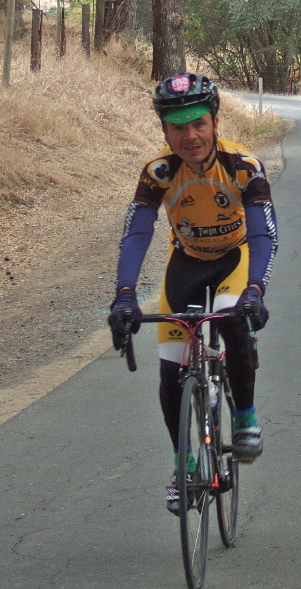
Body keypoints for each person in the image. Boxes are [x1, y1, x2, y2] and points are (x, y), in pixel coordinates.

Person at [107, 72, 279, 515]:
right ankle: (183, 464)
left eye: (198, 123)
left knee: (228, 315)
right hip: (185, 262)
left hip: (235, 259)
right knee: (170, 368)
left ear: (215, 122)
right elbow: (137, 233)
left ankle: (244, 415)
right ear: (165, 131)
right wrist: (125, 295)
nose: (190, 135)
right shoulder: (158, 172)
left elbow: (263, 236)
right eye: (178, 127)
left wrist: (255, 291)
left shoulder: (244, 167)